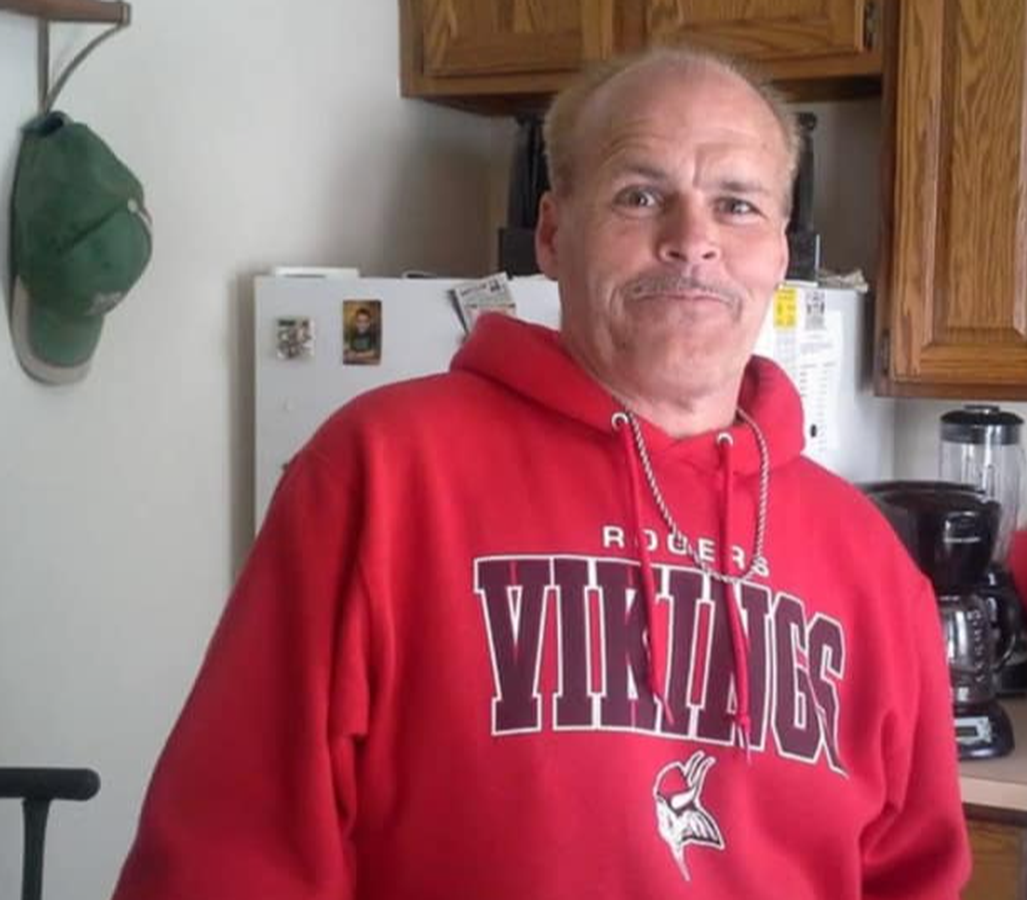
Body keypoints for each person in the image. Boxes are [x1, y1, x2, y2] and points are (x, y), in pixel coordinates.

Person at [111, 47, 969, 899]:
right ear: (553, 236)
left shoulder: (871, 565)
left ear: (779, 255)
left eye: (737, 205)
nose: (692, 242)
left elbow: (911, 878)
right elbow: (230, 858)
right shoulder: (382, 475)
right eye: (640, 196)